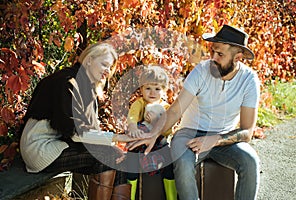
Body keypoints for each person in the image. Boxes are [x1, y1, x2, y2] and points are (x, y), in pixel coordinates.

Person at [128, 25, 261, 200]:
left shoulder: (249, 80)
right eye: (213, 51)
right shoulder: (201, 71)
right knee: (183, 163)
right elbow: (175, 110)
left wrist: (215, 140)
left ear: (237, 58)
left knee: (250, 161)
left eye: (220, 55)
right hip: (189, 134)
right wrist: (154, 133)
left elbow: (246, 131)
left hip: (223, 137)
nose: (213, 58)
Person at [20, 43, 140, 200]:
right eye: (104, 64)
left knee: (117, 157)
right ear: (89, 60)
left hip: (60, 145)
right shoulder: (68, 82)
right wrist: (119, 137)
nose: (107, 71)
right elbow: (77, 133)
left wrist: (112, 144)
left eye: (110, 67)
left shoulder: (85, 85)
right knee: (108, 158)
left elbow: (86, 134)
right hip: (40, 149)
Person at [126, 66, 177, 200]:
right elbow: (132, 117)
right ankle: (130, 194)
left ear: (164, 90)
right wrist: (133, 127)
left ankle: (171, 196)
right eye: (148, 88)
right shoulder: (139, 103)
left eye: (157, 88)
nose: (152, 92)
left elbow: (167, 130)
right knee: (131, 156)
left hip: (159, 141)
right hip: (141, 139)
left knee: (168, 158)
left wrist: (156, 121)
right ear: (141, 89)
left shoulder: (166, 107)